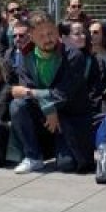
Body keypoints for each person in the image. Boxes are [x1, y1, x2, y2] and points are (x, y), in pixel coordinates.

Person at [10, 11, 94, 174]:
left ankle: (56, 149)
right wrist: (47, 108)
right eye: (41, 35)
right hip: (43, 116)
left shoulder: (73, 56)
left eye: (50, 33)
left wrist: (44, 103)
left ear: (57, 32)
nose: (47, 39)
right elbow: (25, 89)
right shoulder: (26, 58)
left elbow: (64, 93)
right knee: (17, 105)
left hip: (69, 117)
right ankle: (33, 157)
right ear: (32, 37)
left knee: (67, 165)